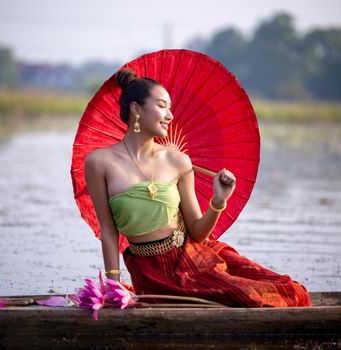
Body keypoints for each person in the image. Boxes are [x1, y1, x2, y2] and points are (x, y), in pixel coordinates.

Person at [84, 68, 311, 307]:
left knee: (284, 292)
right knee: (248, 298)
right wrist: (114, 285)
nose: (170, 115)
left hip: (192, 259)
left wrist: (218, 201)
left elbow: (198, 232)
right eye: (162, 106)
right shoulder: (99, 162)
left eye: (170, 108)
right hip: (149, 273)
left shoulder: (178, 161)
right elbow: (108, 231)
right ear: (136, 109)